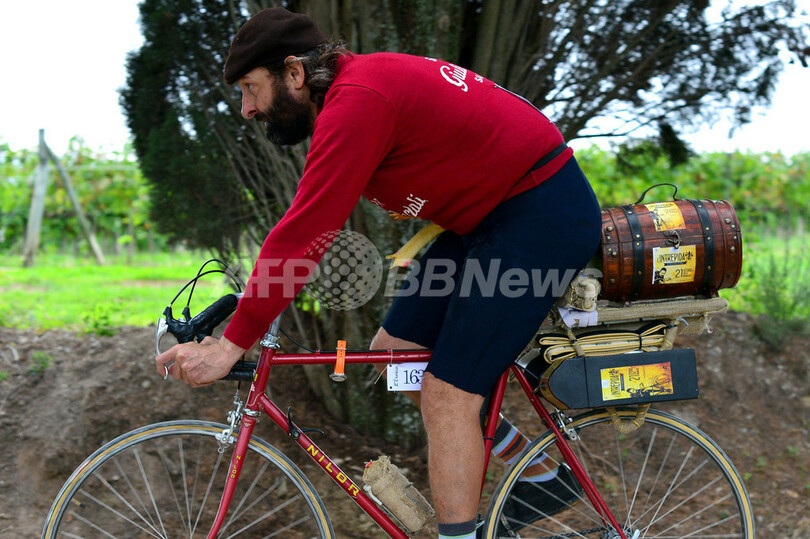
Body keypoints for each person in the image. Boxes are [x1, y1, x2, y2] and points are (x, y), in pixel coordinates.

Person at [155, 7, 602, 538]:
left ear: (294, 73)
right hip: (485, 221)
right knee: (395, 354)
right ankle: (541, 475)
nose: (248, 109)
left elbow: (305, 232)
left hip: (540, 215)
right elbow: (308, 226)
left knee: (447, 394)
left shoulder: (359, 101)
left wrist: (232, 343)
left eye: (251, 88)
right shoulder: (350, 94)